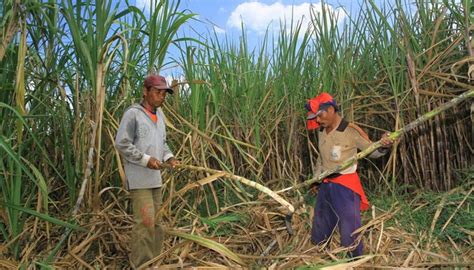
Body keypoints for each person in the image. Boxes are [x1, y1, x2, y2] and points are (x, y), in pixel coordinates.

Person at [305, 92, 393, 257]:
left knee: (349, 227)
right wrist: (315, 179)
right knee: (321, 223)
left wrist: (383, 145)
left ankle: (354, 259)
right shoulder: (322, 131)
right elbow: (321, 158)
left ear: (331, 110)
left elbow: (371, 150)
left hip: (345, 186)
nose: (317, 120)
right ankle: (320, 256)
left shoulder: (350, 131)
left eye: (319, 115)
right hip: (325, 184)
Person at [115, 74, 179, 268]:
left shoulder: (160, 116)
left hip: (155, 179)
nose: (162, 96)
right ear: (146, 91)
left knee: (157, 223)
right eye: (157, 92)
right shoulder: (133, 114)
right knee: (144, 223)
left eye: (164, 93)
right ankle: (141, 265)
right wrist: (145, 159)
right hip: (140, 179)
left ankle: (155, 261)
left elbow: (162, 143)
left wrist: (169, 157)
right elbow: (122, 143)